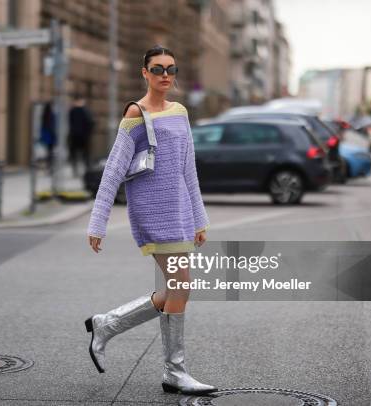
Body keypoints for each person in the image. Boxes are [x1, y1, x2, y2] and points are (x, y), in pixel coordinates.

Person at [84, 45, 216, 395]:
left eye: (171, 69)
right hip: (151, 213)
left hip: (179, 211)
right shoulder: (135, 112)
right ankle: (175, 371)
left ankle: (107, 324)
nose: (165, 76)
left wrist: (198, 218)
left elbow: (189, 169)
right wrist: (98, 222)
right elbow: (113, 171)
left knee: (173, 290)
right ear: (144, 72)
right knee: (181, 287)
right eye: (157, 69)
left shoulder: (180, 111)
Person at [68, 94, 95, 176]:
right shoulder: (85, 111)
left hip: (74, 135)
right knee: (86, 155)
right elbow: (90, 123)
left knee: (74, 154)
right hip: (84, 137)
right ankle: (87, 171)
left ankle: (75, 171)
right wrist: (89, 133)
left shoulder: (72, 111)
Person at [40, 102, 57, 172]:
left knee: (48, 152)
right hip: (51, 137)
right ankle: (50, 166)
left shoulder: (44, 115)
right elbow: (53, 127)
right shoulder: (52, 115)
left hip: (46, 137)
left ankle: (48, 166)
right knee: (51, 152)